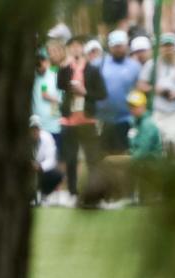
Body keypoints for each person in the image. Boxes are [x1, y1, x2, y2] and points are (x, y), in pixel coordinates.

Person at [57, 36, 107, 206]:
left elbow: (102, 94)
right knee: (70, 159)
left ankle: (97, 194)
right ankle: (72, 192)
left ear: (84, 49)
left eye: (79, 46)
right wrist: (64, 68)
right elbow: (60, 86)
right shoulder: (66, 68)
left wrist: (84, 92)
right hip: (69, 120)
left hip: (87, 120)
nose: (76, 49)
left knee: (93, 159)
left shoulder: (92, 70)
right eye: (72, 46)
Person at [137, 33, 175, 150]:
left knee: (173, 142)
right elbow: (141, 85)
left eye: (170, 46)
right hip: (157, 111)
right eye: (165, 46)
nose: (168, 49)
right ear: (161, 48)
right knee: (156, 143)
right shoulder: (151, 65)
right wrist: (156, 90)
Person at [98, 30, 143, 153]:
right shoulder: (100, 64)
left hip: (126, 120)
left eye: (121, 46)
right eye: (115, 46)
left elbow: (140, 90)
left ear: (126, 46)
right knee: (106, 157)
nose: (118, 49)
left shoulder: (135, 66)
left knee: (125, 155)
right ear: (110, 47)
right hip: (105, 120)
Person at [31, 115, 62, 203]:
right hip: (26, 170)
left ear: (40, 129)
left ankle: (44, 195)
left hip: (41, 169)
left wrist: (39, 166)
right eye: (32, 129)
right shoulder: (22, 139)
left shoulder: (47, 137)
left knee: (57, 175)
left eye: (37, 129)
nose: (35, 131)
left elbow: (51, 160)